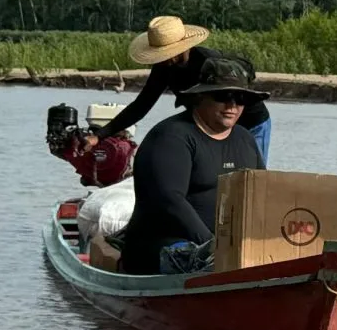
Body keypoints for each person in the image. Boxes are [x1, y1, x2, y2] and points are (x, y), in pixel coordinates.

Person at [118, 54, 268, 275]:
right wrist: (214, 247)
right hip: (165, 246)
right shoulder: (171, 137)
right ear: (200, 96)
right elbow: (169, 200)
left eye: (240, 98)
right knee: (197, 261)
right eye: (223, 95)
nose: (232, 105)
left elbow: (262, 194)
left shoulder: (245, 139)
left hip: (228, 249)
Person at [90, 14, 274, 163]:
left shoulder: (208, 62)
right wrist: (100, 135)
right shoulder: (164, 68)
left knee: (251, 177)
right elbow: (142, 105)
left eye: (168, 52)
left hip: (251, 122)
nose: (164, 58)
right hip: (212, 125)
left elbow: (241, 85)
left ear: (183, 46)